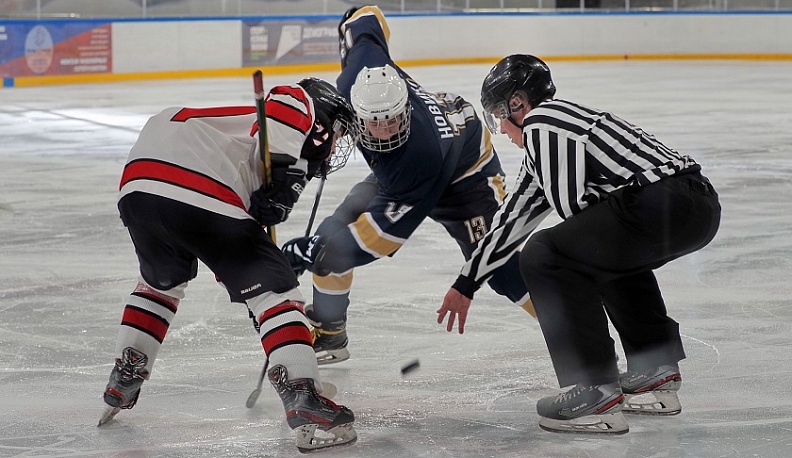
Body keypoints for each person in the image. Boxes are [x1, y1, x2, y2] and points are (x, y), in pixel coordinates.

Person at [437, 54, 721, 434]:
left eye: (498, 115)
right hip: (693, 205)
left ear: (518, 105)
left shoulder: (544, 122)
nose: (501, 130)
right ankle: (655, 369)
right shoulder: (551, 139)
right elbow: (508, 223)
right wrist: (466, 283)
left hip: (662, 200)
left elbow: (573, 214)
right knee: (598, 252)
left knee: (545, 254)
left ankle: (593, 390)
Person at [98, 77, 359, 452]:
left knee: (160, 284)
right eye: (336, 134)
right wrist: (289, 177)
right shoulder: (301, 102)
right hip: (197, 185)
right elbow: (287, 101)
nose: (335, 146)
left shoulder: (229, 134)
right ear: (325, 121)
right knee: (275, 291)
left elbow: (230, 230)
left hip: (139, 187)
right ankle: (303, 393)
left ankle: (124, 376)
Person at [281, 5, 535, 365]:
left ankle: (583, 340)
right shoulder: (358, 73)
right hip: (404, 173)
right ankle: (330, 331)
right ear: (355, 110)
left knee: (499, 269)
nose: (386, 132)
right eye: (376, 124)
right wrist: (349, 20)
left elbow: (375, 240)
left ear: (405, 106)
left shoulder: (416, 156)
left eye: (394, 120)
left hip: (466, 177)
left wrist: (305, 253)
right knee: (332, 230)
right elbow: (366, 17)